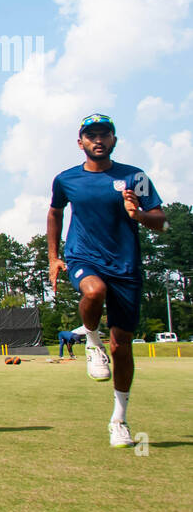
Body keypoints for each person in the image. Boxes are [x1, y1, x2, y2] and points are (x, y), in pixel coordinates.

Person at [47, 113, 167, 448]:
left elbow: (162, 221)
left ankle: (119, 420)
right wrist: (54, 257)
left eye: (104, 134)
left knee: (123, 347)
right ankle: (92, 342)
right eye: (91, 135)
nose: (98, 140)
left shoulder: (134, 177)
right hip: (84, 256)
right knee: (93, 290)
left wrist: (139, 214)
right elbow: (54, 212)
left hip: (126, 268)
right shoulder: (66, 180)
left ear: (114, 139)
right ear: (80, 142)